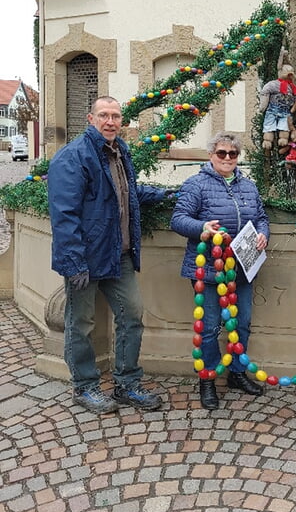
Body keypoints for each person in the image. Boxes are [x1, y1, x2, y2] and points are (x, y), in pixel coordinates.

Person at [48, 96, 168, 415]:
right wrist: (74, 264)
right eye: (104, 115)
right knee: (82, 323)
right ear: (91, 118)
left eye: (116, 116)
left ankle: (127, 382)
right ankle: (85, 386)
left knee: (132, 315)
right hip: (85, 260)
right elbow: (64, 215)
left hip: (118, 255)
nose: (111, 121)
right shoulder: (73, 157)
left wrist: (164, 194)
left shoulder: (119, 151)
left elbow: (127, 192)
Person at [170, 132, 270, 410]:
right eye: (221, 153)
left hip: (242, 268)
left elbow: (261, 217)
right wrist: (202, 228)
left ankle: (237, 373)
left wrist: (263, 234)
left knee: (242, 323)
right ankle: (208, 379)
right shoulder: (196, 185)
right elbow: (178, 220)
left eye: (233, 154)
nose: (227, 158)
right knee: (210, 328)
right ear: (211, 155)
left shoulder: (249, 187)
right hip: (209, 270)